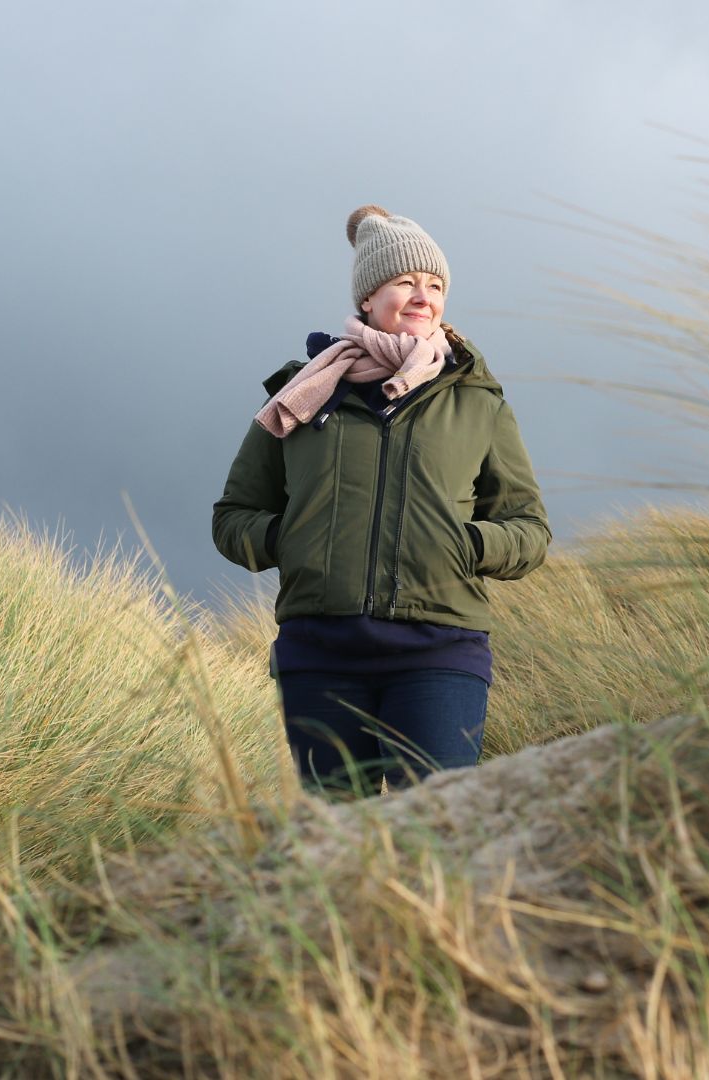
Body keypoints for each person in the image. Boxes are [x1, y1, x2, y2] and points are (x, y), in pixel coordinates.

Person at [212, 205, 550, 795]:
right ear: (369, 297)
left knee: (438, 825)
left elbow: (529, 528)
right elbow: (233, 516)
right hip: (319, 655)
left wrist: (466, 544)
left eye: (436, 285)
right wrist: (290, 540)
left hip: (440, 650)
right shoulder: (303, 393)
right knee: (338, 838)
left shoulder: (476, 399)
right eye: (405, 282)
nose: (423, 296)